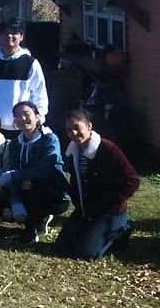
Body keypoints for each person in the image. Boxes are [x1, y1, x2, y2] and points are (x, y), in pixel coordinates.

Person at [56, 110, 140, 260]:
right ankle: (90, 232)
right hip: (85, 210)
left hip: (109, 212)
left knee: (86, 254)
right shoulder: (73, 151)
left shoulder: (108, 149)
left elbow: (132, 180)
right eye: (69, 130)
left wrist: (113, 202)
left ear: (89, 126)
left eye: (77, 127)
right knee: (61, 248)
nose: (73, 133)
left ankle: (120, 231)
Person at [0, 101, 70, 244]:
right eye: (17, 115)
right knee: (5, 187)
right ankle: (38, 219)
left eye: (26, 114)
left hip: (53, 191)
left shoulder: (49, 139)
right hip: (26, 185)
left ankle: (30, 231)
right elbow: (13, 169)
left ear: (37, 116)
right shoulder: (15, 144)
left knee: (34, 187)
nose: (22, 119)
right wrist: (15, 201)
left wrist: (15, 176)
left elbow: (45, 171)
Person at [0, 18, 48, 135]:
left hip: (24, 128)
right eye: (5, 33)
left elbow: (40, 95)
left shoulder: (31, 63)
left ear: (21, 37)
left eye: (14, 33)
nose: (9, 36)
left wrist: (38, 120)